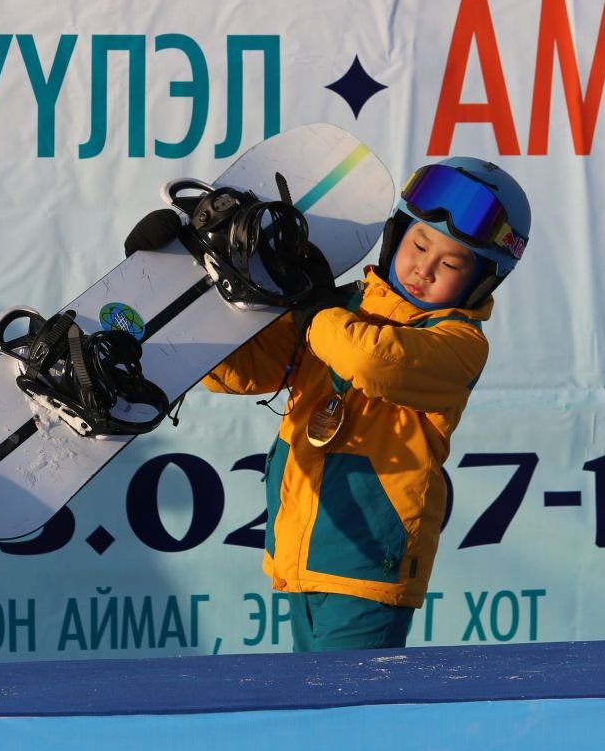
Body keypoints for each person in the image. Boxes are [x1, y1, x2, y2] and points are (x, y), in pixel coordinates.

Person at [127, 156, 530, 652]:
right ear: (396, 236)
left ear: (481, 281)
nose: (423, 269)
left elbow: (374, 361)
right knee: (313, 699)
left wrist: (313, 309)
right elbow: (238, 370)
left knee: (348, 701)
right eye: (419, 244)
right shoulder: (341, 309)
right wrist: (171, 282)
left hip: (369, 565)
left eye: (450, 264)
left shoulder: (458, 343)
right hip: (302, 551)